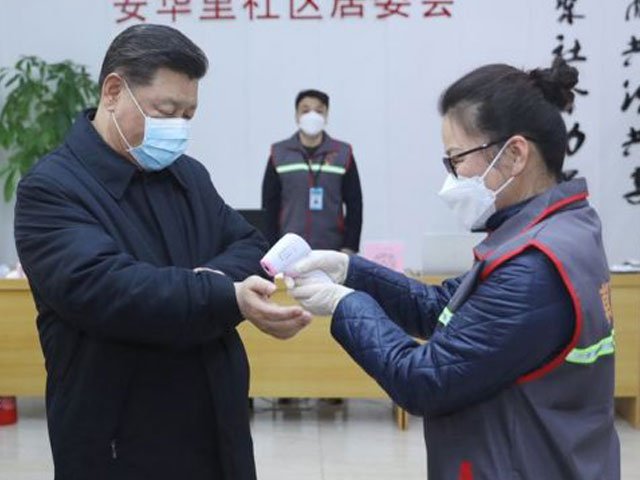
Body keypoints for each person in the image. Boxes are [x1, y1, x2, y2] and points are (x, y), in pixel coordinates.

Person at [287, 57, 620, 479]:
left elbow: (424, 380)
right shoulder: (556, 230)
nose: (452, 176)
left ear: (515, 154)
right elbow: (444, 307)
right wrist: (350, 270)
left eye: (456, 158)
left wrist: (347, 305)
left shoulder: (533, 269)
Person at [14, 25, 311, 480]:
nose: (177, 127)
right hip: (120, 442)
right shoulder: (52, 190)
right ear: (114, 91)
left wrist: (198, 284)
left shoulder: (187, 176)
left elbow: (250, 245)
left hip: (216, 430)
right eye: (166, 110)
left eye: (188, 115)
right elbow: (109, 288)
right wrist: (219, 292)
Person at [261, 89, 362, 254]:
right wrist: (271, 247)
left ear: (326, 116)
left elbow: (355, 204)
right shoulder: (279, 153)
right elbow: (269, 207)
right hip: (288, 250)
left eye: (319, 111)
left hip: (332, 249)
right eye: (305, 110)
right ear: (297, 116)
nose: (312, 115)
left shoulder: (343, 153)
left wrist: (349, 247)